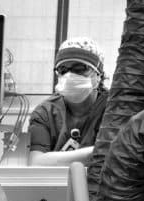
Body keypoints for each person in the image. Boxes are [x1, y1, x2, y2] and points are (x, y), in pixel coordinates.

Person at [28, 37, 109, 166]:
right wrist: (95, 152)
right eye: (62, 69)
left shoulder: (112, 108)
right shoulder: (45, 112)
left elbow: (116, 155)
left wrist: (54, 159)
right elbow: (36, 162)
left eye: (79, 68)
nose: (69, 75)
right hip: (56, 183)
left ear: (98, 74)